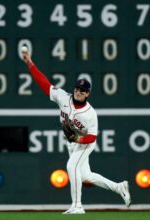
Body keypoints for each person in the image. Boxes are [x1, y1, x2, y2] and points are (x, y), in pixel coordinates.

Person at [22, 50, 131, 214]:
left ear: (87, 94)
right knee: (85, 176)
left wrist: (78, 140)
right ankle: (119, 187)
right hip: (72, 142)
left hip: (85, 143)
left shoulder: (90, 113)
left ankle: (77, 206)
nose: (78, 92)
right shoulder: (63, 97)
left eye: (82, 90)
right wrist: (30, 64)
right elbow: (44, 83)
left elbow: (93, 136)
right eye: (77, 88)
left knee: (71, 166)